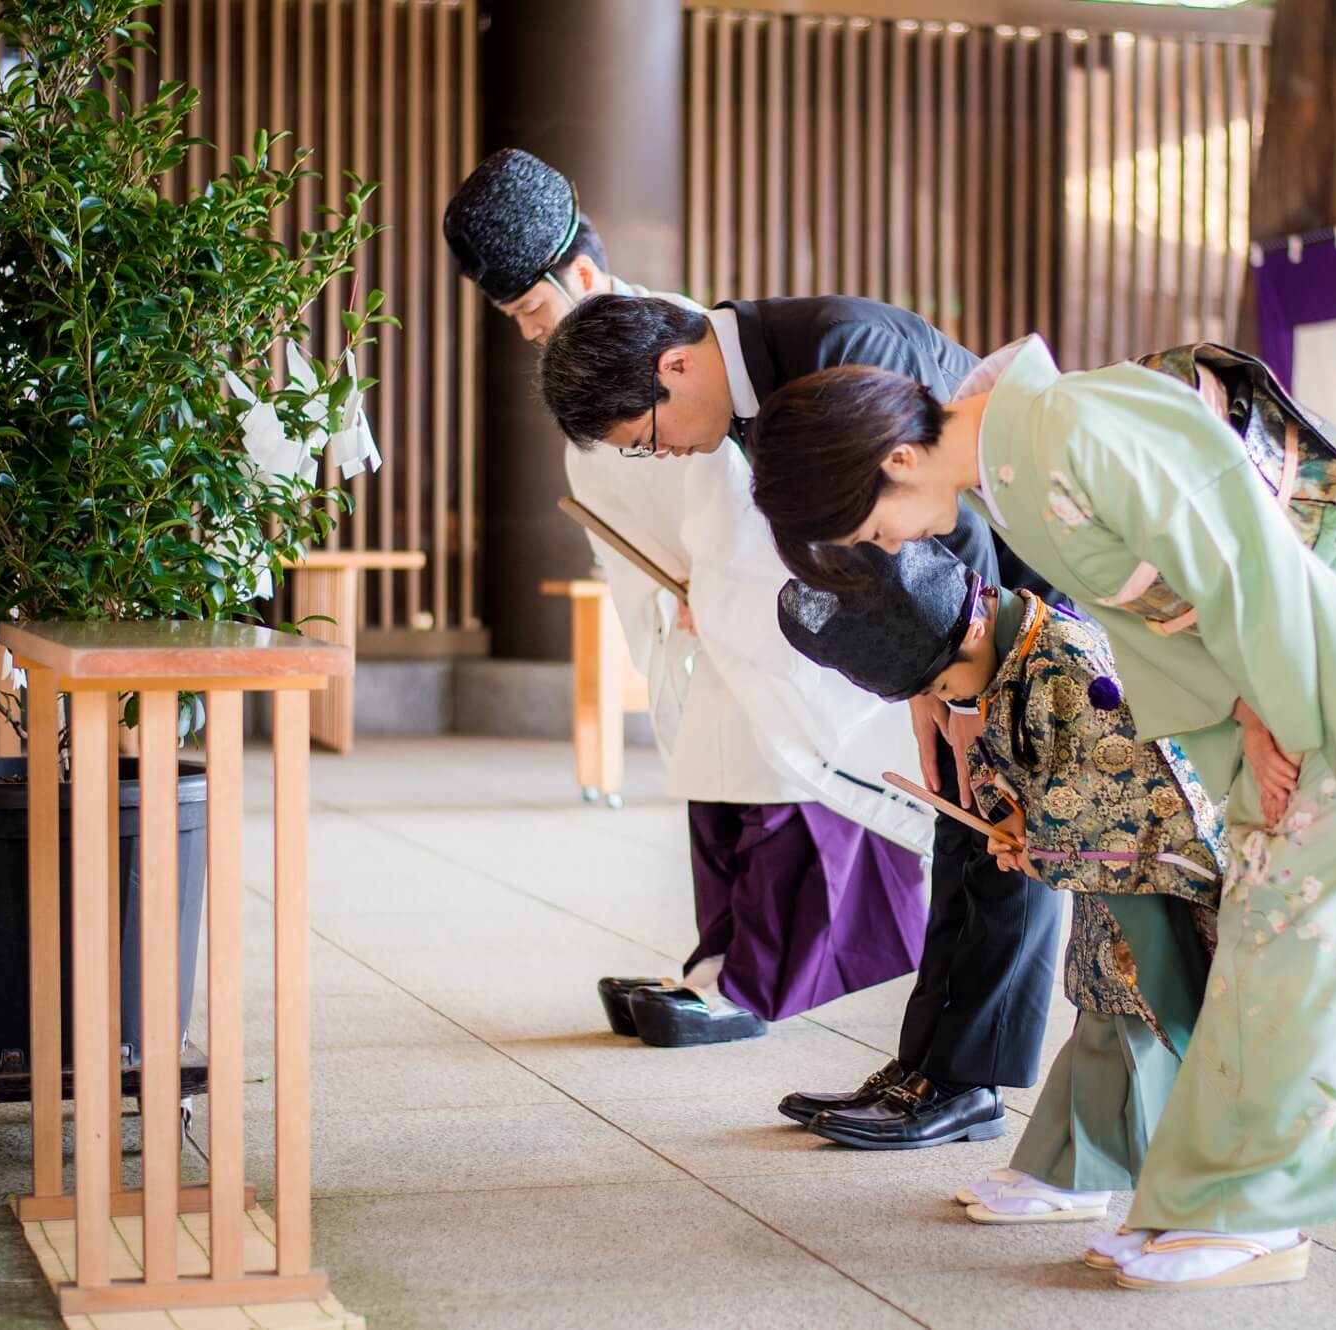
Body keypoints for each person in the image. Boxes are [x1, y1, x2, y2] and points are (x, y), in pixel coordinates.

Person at [744, 336, 1336, 1290]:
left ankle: (1257, 1216)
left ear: (896, 460)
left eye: (870, 529)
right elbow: (1190, 593)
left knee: (1307, 916)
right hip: (1304, 625)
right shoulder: (1020, 454)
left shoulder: (1061, 428)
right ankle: (1212, 1201)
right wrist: (1253, 699)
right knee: (1272, 918)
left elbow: (1237, 547)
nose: (896, 546)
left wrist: (1284, 701)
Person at [537, 291, 1064, 1148]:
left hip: (1008, 602)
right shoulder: (752, 383)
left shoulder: (838, 347)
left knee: (1001, 825)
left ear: (674, 368)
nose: (662, 454)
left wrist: (965, 687)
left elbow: (944, 523)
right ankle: (929, 1065)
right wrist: (928, 690)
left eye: (648, 437)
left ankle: (966, 1081)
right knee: (959, 823)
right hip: (947, 622)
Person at [442, 148, 932, 1048]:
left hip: (761, 592)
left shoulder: (671, 343)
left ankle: (753, 978)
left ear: (581, 272)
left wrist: (726, 588)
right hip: (699, 601)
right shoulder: (595, 370)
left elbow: (742, 484)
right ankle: (722, 959)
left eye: (530, 309)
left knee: (770, 770)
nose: (524, 332)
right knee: (715, 777)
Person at [779, 536, 1230, 1224]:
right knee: (1106, 1009)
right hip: (1115, 883)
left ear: (976, 630)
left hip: (1154, 882)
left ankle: (1145, 1182)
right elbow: (1015, 765)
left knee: (1137, 1017)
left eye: (939, 688)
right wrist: (1014, 819)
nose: (943, 702)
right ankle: (1071, 1170)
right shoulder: (1017, 654)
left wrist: (1043, 844)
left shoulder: (1075, 662)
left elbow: (1131, 789)